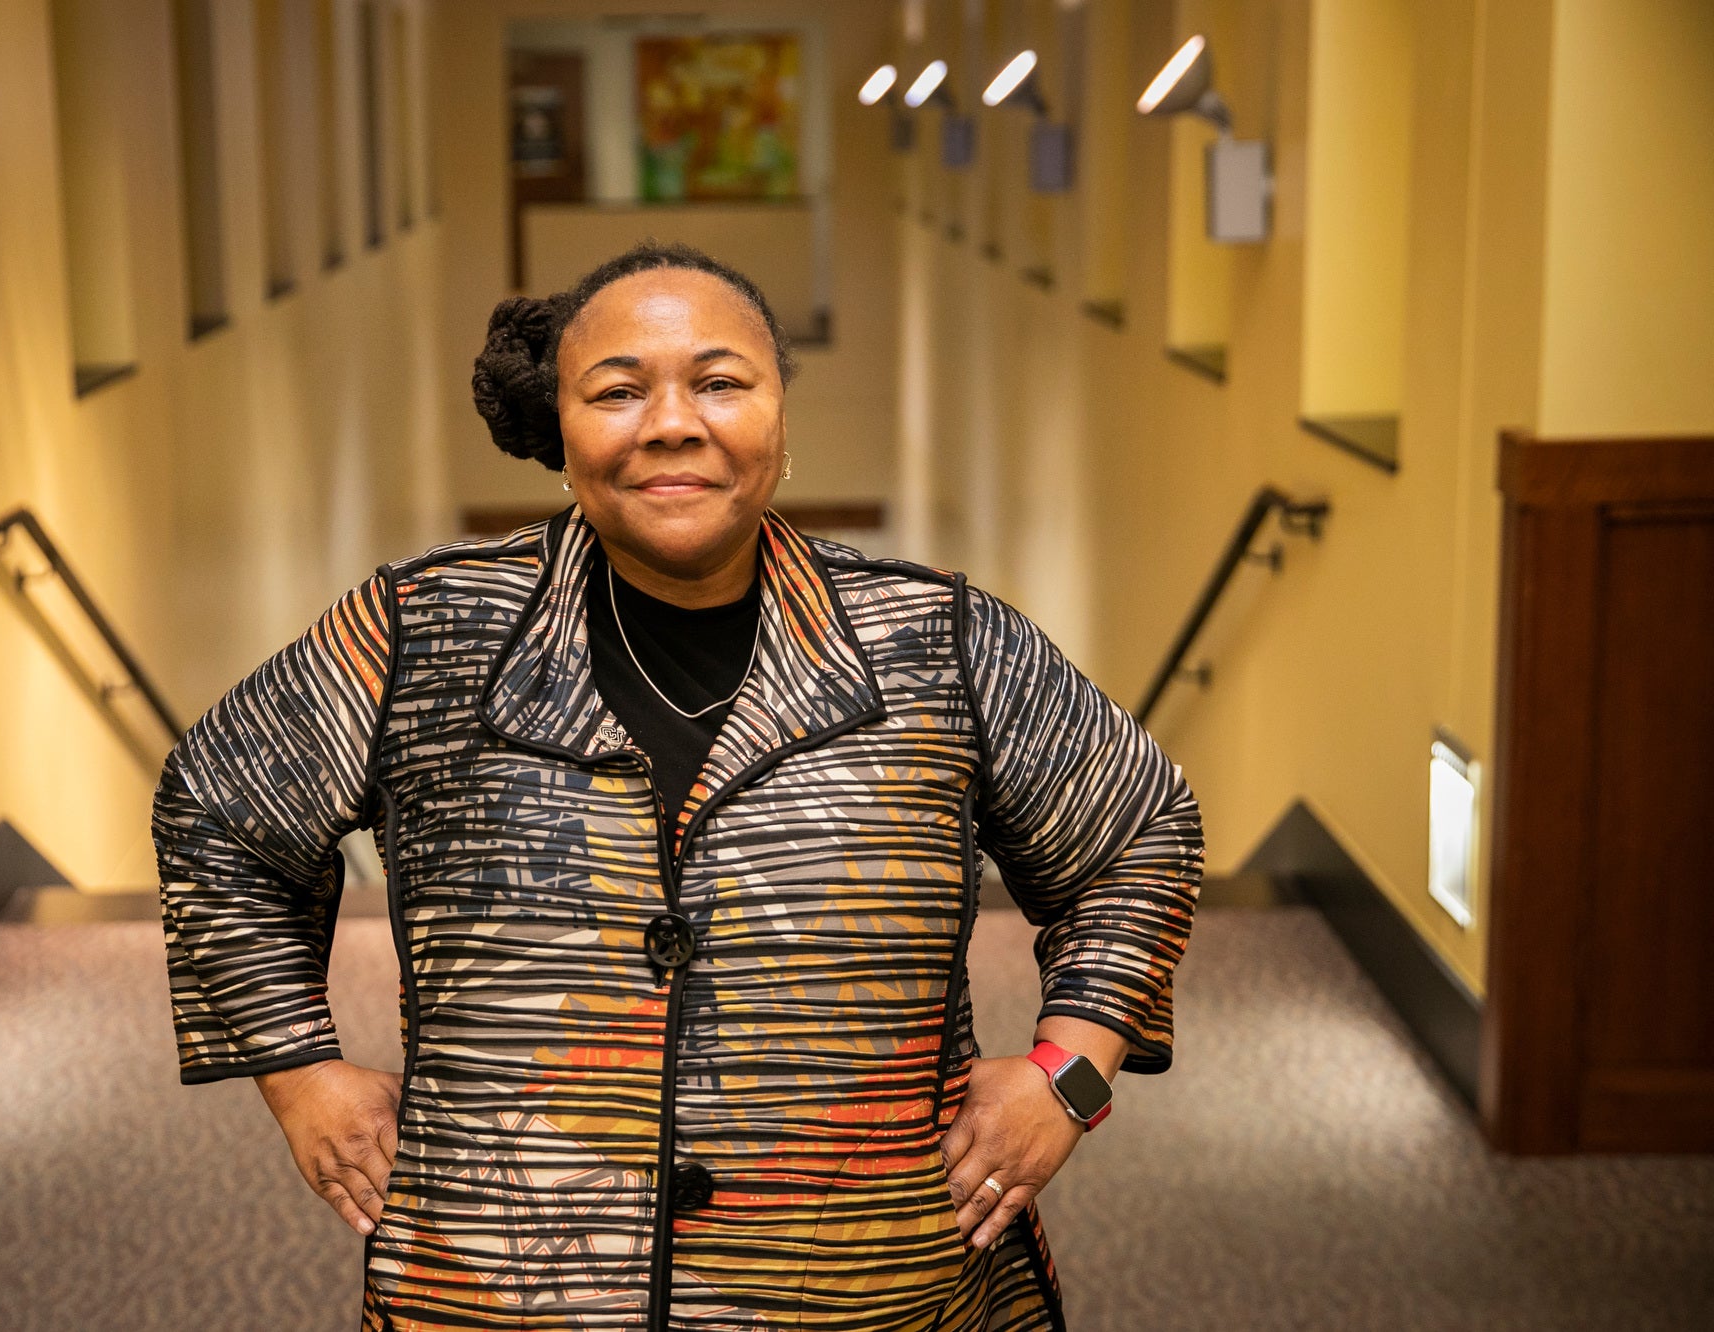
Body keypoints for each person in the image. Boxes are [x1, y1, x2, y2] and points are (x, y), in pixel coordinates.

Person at [152, 241, 1203, 1330]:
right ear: (558, 428)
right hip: (505, 1292)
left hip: (860, 1284)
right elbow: (216, 815)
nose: (670, 422)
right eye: (616, 391)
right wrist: (298, 1072)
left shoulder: (935, 641)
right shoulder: (422, 634)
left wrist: (1067, 1075)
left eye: (718, 382)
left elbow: (1138, 834)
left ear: (778, 413)